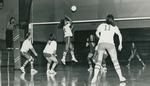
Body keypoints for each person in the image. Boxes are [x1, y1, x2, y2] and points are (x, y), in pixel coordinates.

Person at [91, 14, 126, 83]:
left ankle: (94, 78)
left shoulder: (101, 25)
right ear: (113, 20)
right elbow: (119, 35)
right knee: (115, 61)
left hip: (101, 44)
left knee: (99, 61)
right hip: (110, 44)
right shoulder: (114, 27)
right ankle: (120, 77)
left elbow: (96, 33)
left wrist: (100, 38)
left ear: (106, 19)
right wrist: (120, 44)